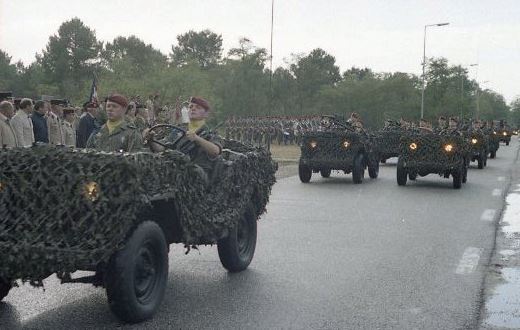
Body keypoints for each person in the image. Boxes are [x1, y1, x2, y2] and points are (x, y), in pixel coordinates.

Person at [145, 96, 222, 180]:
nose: (193, 109)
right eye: (190, 107)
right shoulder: (179, 129)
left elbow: (215, 151)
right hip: (176, 170)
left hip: (197, 176)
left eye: (198, 107)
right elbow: (161, 147)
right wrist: (151, 139)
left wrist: (197, 139)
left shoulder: (209, 133)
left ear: (206, 114)